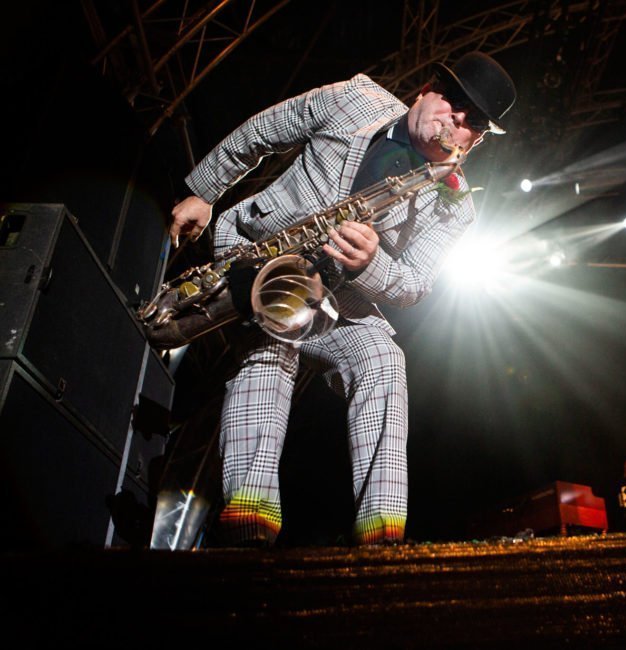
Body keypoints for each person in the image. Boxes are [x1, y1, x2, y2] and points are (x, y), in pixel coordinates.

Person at [169, 52, 516, 546]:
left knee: (385, 360)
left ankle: (381, 539)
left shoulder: (455, 205)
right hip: (257, 251)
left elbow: (415, 284)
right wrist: (203, 192)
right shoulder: (355, 98)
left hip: (335, 295)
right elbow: (263, 131)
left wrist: (370, 264)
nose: (454, 121)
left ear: (474, 142)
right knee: (273, 347)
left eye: (471, 122)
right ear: (425, 91)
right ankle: (250, 529)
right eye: (452, 102)